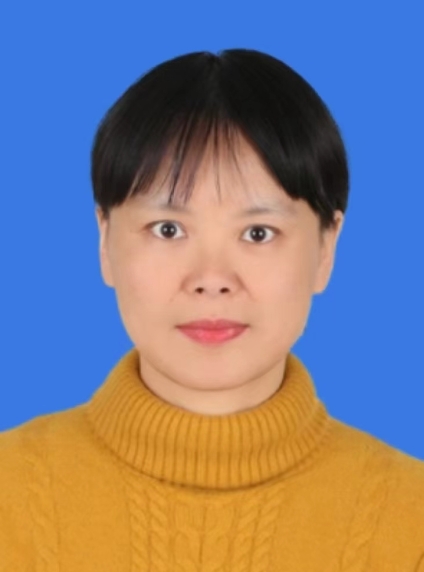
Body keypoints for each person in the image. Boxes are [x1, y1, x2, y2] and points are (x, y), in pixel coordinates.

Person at [1, 48, 423, 571]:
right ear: (105, 240)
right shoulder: (9, 494)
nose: (212, 280)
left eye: (258, 233)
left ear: (326, 249)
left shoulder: (411, 522)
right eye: (168, 229)